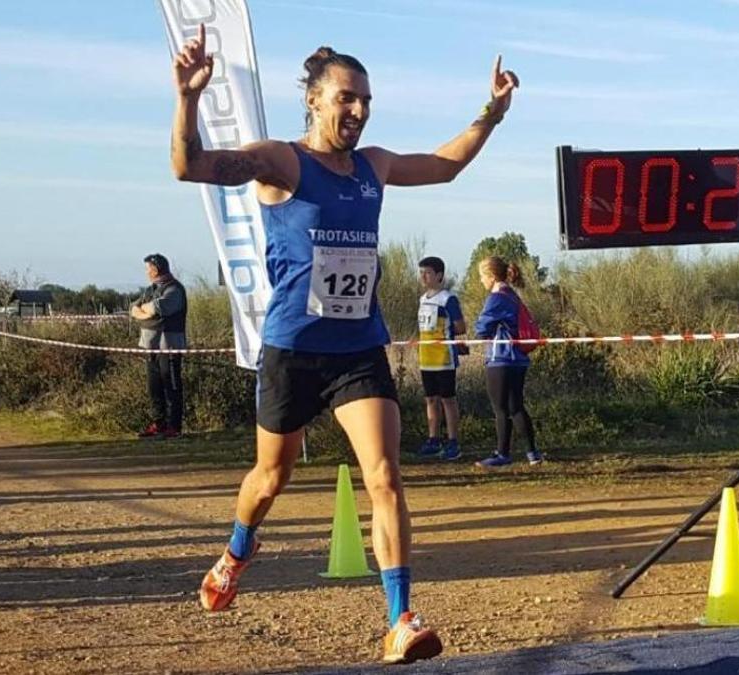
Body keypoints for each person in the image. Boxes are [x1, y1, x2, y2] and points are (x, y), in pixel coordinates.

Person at [169, 24, 517, 664]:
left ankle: (400, 619)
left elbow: (445, 166)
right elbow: (190, 166)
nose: (357, 111)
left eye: (366, 102)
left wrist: (490, 114)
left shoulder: (372, 166)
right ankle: (235, 552)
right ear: (315, 100)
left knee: (385, 478)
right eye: (346, 99)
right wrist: (189, 98)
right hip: (293, 350)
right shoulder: (279, 161)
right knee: (271, 476)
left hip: (359, 348)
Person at [473, 256, 542, 468]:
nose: (481, 281)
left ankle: (502, 453)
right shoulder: (512, 295)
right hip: (518, 359)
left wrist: (480, 332)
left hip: (501, 358)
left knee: (500, 407)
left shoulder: (497, 298)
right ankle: (532, 453)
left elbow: (481, 329)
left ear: (492, 277)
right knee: (516, 406)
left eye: (482, 277)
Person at [130, 253, 188, 440]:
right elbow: (134, 309)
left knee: (171, 387)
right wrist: (144, 312)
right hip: (151, 346)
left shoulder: (175, 289)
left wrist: (146, 310)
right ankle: (159, 424)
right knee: (154, 387)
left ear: (156, 269)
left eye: (148, 268)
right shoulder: (150, 289)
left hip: (169, 346)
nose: (147, 272)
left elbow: (159, 308)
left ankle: (174, 427)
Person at [416, 256, 465, 461]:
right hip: (426, 358)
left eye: (427, 272)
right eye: (421, 273)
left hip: (444, 357)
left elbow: (461, 327)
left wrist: (445, 331)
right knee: (430, 399)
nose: (423, 277)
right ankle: (433, 439)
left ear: (439, 275)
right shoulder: (422, 299)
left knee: (448, 399)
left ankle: (453, 441)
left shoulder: (447, 299)